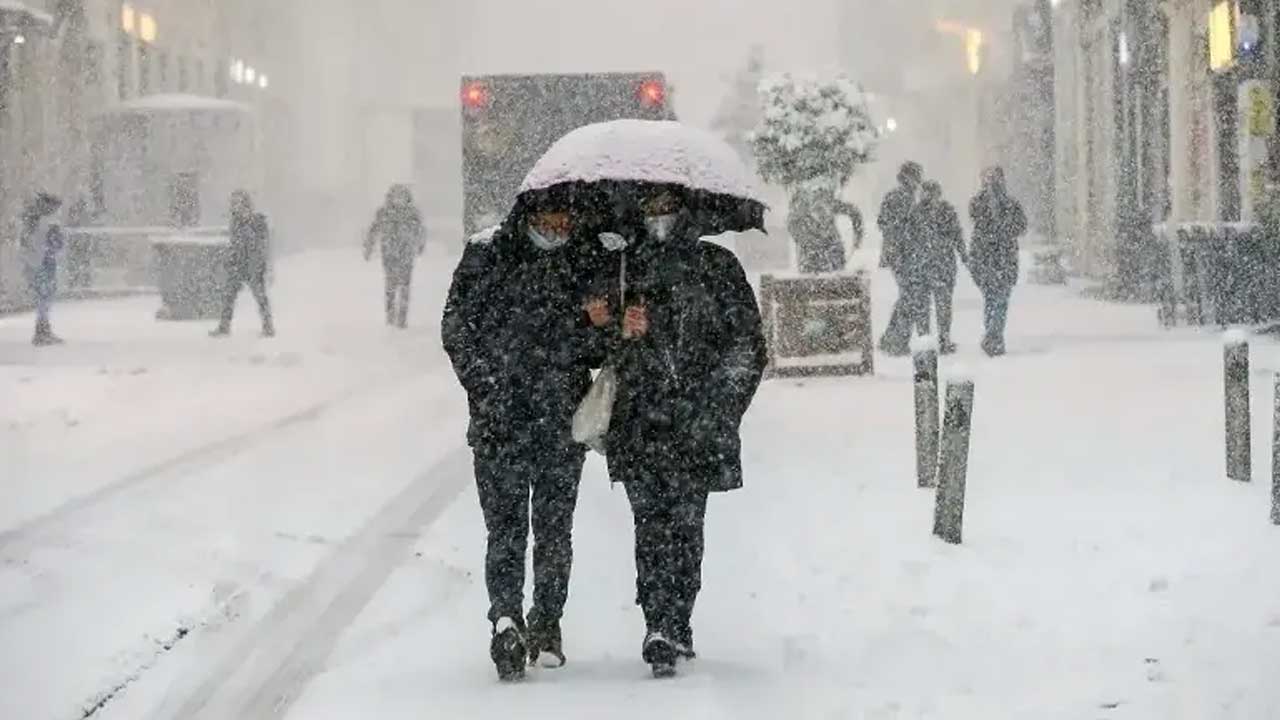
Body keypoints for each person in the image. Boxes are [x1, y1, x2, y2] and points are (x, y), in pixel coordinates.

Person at [585, 184, 767, 678]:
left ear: (686, 212)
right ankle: (658, 623)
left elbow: (747, 345)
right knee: (650, 523)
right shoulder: (623, 269)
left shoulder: (718, 267)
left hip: (696, 422)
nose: (659, 218)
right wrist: (617, 331)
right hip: (640, 420)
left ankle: (678, 618)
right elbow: (596, 351)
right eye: (650, 209)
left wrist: (719, 405)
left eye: (668, 208)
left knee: (687, 526)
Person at [441, 186, 604, 681]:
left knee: (554, 531)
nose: (558, 232)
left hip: (559, 421)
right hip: (501, 422)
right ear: (529, 215)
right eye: (550, 222)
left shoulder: (583, 259)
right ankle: (508, 618)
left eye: (564, 223)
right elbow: (456, 328)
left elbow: (593, 350)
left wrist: (594, 324)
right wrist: (487, 386)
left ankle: (546, 621)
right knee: (508, 530)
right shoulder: (487, 254)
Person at [969, 167, 1027, 356]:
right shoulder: (998, 203)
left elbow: (1020, 226)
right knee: (997, 300)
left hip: (993, 259)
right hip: (997, 259)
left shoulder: (986, 203)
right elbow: (1020, 227)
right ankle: (994, 336)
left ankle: (993, 336)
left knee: (994, 300)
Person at [877, 162, 928, 355]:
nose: (918, 181)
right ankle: (896, 341)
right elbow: (887, 224)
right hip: (902, 255)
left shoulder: (905, 197)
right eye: (916, 177)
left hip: (903, 254)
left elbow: (884, 222)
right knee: (910, 297)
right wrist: (903, 234)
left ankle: (892, 338)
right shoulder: (900, 197)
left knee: (908, 297)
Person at [211, 190, 274, 338]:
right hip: (238, 265)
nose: (234, 206)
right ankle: (224, 326)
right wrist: (231, 259)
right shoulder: (235, 222)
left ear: (245, 204)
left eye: (237, 203)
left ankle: (268, 326)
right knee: (229, 296)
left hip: (253, 266)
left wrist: (258, 264)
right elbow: (235, 244)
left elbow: (261, 245)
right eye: (233, 203)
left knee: (260, 296)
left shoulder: (258, 221)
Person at [364, 184, 426, 328]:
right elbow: (374, 229)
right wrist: (369, 246)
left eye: (401, 196)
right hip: (391, 254)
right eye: (396, 196)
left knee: (403, 286)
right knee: (392, 285)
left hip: (403, 254)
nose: (398, 200)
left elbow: (420, 230)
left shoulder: (410, 213)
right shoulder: (386, 212)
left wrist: (420, 245)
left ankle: (400, 318)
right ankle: (392, 317)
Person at [918, 181, 967, 354]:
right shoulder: (917, 212)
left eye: (932, 193)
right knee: (927, 305)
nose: (930, 197)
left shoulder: (944, 211)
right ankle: (928, 340)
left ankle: (940, 339)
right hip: (929, 264)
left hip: (938, 264)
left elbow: (957, 234)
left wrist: (963, 254)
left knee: (940, 304)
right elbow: (957, 235)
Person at [20, 192, 65, 346]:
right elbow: (55, 244)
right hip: (44, 263)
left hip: (36, 263)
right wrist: (54, 250)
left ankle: (42, 329)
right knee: (45, 296)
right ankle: (42, 331)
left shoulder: (31, 220)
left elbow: (27, 244)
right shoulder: (48, 222)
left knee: (43, 297)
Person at [788, 183, 862, 273]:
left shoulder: (829, 203)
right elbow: (793, 226)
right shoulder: (801, 208)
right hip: (813, 253)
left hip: (826, 250)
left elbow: (853, 212)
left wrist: (857, 235)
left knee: (829, 276)